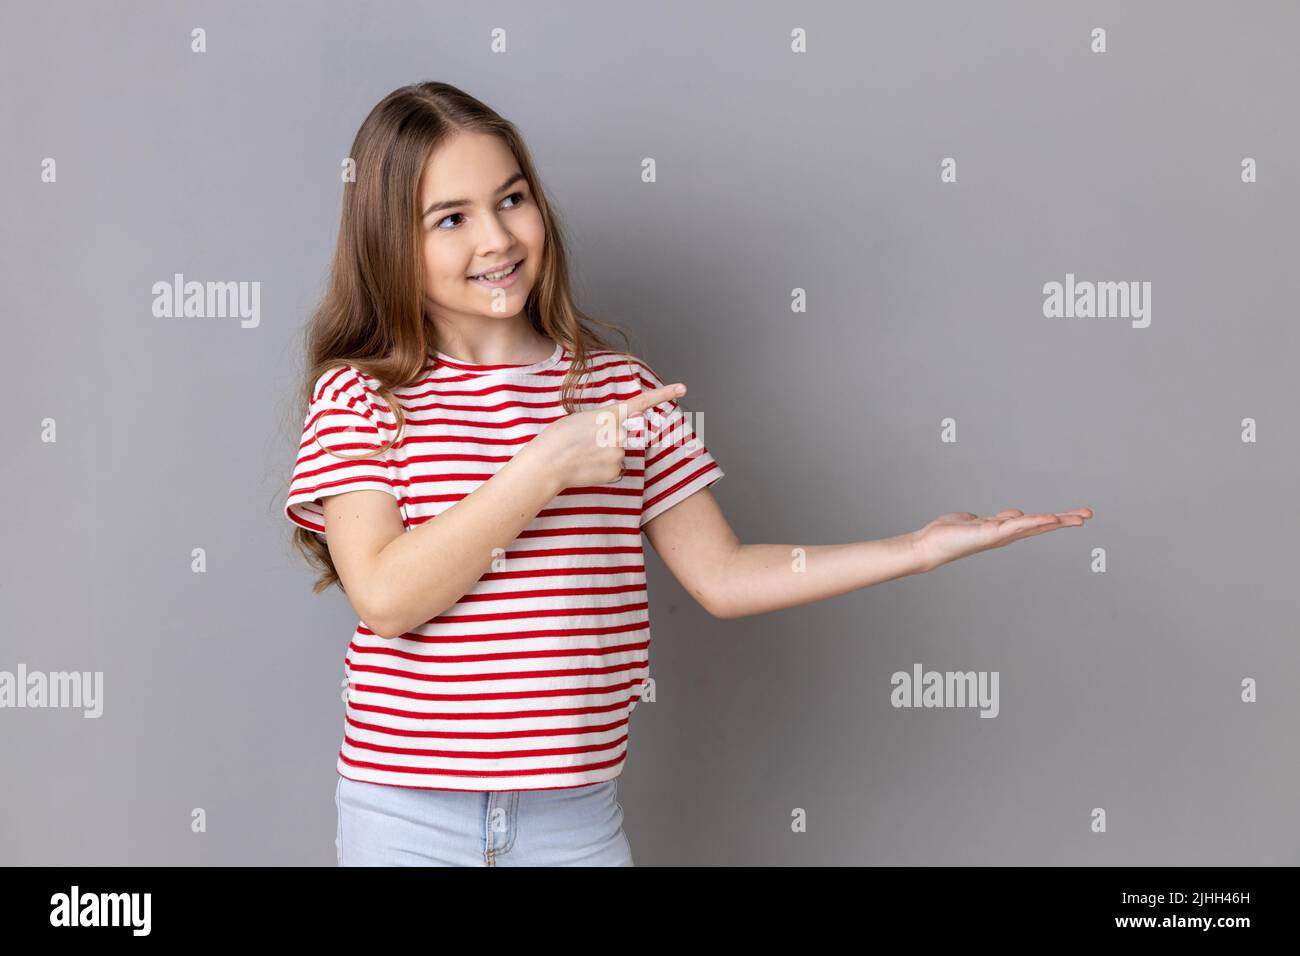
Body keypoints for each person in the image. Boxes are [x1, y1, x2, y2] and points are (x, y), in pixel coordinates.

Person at [284, 81, 1092, 867]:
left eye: (512, 198)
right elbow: (385, 598)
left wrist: (916, 548)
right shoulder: (363, 396)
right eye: (449, 219)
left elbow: (724, 576)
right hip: (406, 814)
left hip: (573, 818)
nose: (496, 239)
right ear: (392, 241)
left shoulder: (618, 389)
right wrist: (543, 466)